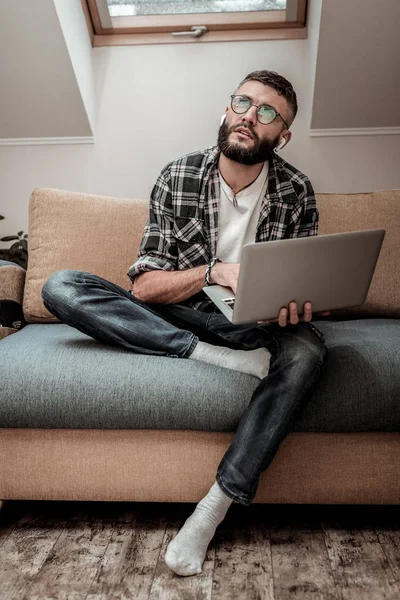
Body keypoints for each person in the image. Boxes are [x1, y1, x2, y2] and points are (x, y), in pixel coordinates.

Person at [42, 70, 328, 578]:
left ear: (281, 135)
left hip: (255, 325)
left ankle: (212, 509)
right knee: (62, 285)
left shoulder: (297, 192)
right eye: (243, 102)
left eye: (266, 112)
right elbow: (144, 288)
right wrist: (215, 272)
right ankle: (211, 356)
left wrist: (297, 306)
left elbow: (305, 287)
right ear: (227, 108)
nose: (248, 115)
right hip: (183, 315)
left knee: (308, 351)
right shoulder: (179, 176)